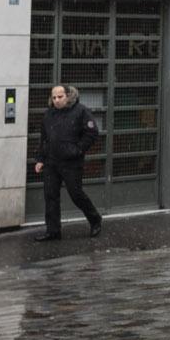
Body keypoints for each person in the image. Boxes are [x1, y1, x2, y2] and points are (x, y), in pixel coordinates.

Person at [32, 84, 102, 241]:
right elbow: (44, 139)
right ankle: (53, 231)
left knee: (76, 194)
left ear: (68, 96)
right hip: (51, 162)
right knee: (50, 196)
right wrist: (40, 159)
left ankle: (95, 219)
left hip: (71, 162)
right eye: (54, 97)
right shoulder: (49, 114)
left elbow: (92, 133)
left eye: (60, 97)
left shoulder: (80, 111)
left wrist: (78, 149)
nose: (56, 100)